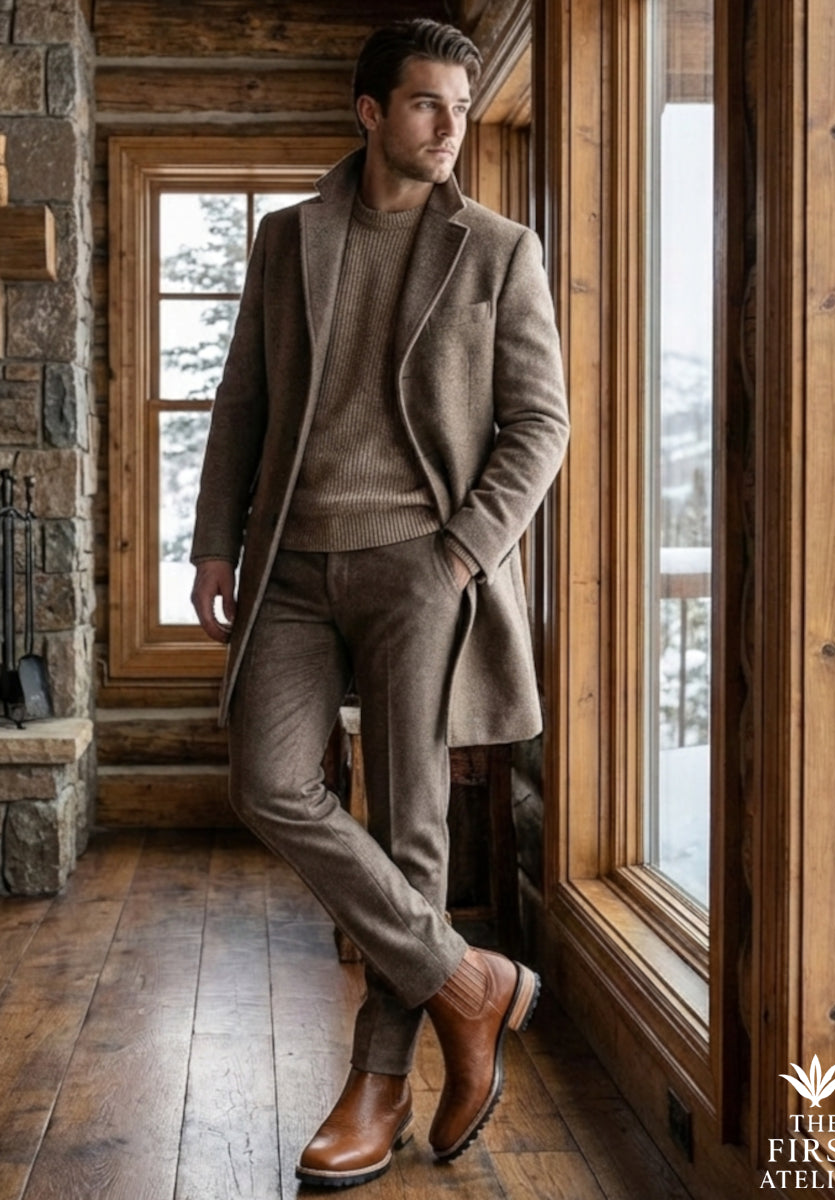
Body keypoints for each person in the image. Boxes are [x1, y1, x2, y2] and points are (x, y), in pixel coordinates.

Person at [190, 17, 569, 1189]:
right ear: (369, 112)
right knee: (268, 779)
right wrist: (213, 545)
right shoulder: (289, 238)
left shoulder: (500, 250)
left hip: (420, 566)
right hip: (293, 568)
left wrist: (458, 554)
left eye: (461, 104)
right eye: (423, 103)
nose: (449, 126)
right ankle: (469, 983)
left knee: (412, 833)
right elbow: (242, 399)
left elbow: (540, 424)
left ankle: (378, 1084)